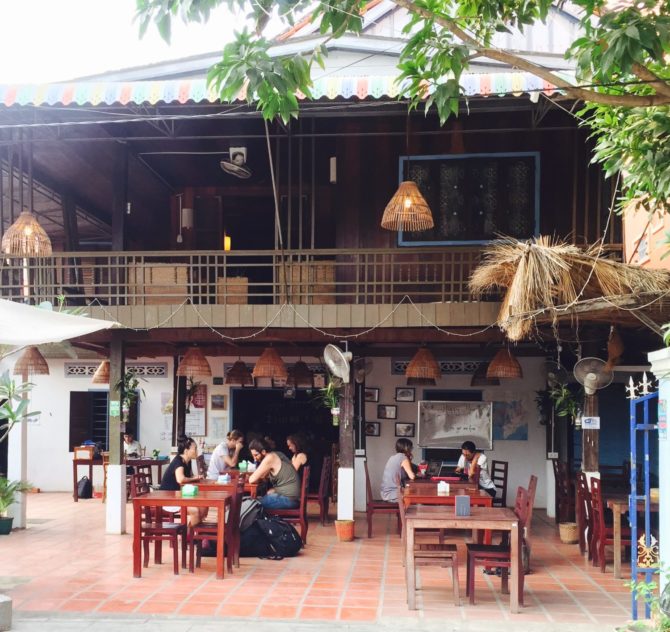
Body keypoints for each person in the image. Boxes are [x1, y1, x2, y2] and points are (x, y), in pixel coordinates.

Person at [160, 435, 207, 526]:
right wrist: (195, 478)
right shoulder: (179, 461)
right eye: (195, 449)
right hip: (169, 499)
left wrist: (195, 477)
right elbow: (180, 479)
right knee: (195, 511)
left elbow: (189, 478)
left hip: (179, 497)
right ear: (186, 451)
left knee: (203, 507)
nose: (197, 451)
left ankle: (192, 534)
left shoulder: (187, 462)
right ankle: (188, 537)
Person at [248, 437, 300, 509]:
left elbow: (252, 479)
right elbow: (264, 477)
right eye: (253, 455)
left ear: (263, 452)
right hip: (293, 498)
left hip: (289, 500)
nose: (254, 458)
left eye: (256, 455)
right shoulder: (277, 454)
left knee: (253, 505)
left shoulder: (270, 458)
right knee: (261, 499)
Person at [380, 438, 416, 502]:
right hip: (393, 494)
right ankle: (407, 511)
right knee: (416, 493)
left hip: (385, 493)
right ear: (407, 448)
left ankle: (406, 511)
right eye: (411, 447)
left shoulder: (393, 457)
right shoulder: (403, 457)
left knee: (411, 491)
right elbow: (412, 476)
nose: (412, 449)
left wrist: (409, 460)